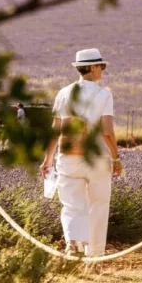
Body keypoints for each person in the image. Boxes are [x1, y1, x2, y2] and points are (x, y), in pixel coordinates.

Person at [40, 48, 122, 257]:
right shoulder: (104, 95)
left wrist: (47, 160)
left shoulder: (63, 93)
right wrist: (116, 158)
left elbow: (55, 130)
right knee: (98, 205)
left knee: (71, 205)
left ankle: (74, 244)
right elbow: (107, 132)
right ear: (93, 67)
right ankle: (94, 254)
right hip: (97, 158)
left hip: (68, 156)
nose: (102, 70)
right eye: (101, 66)